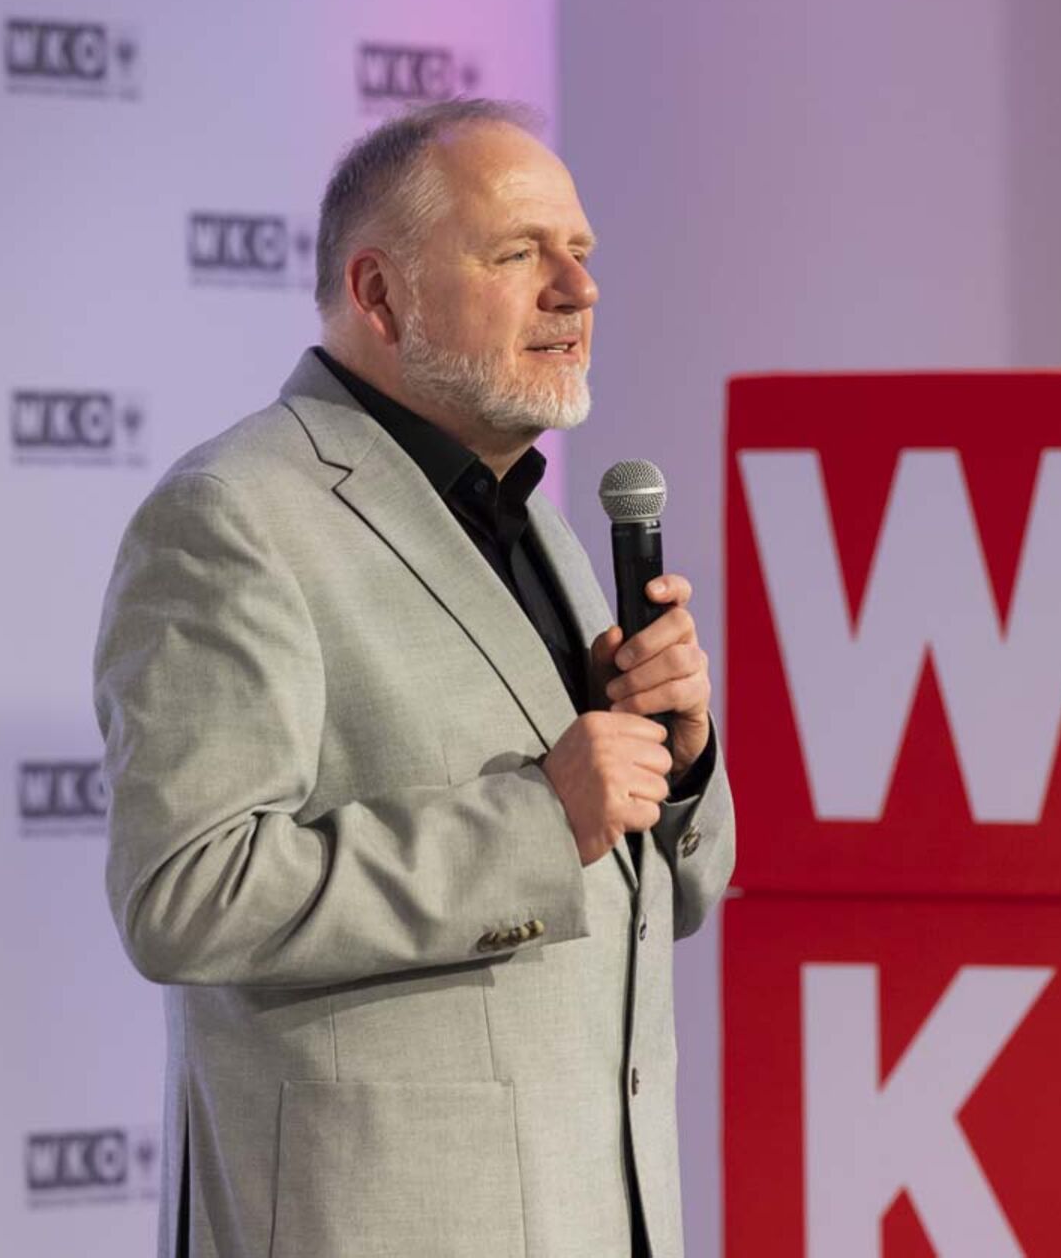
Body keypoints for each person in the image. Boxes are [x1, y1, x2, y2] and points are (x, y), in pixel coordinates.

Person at [93, 98, 733, 1258]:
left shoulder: (538, 523)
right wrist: (538, 819)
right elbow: (183, 893)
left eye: (581, 252)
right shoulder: (234, 515)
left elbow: (647, 902)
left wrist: (676, 765)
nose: (578, 291)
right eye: (519, 253)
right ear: (381, 294)